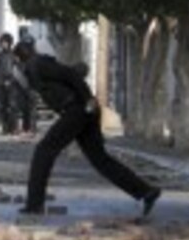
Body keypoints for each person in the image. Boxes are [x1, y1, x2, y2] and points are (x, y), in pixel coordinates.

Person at [13, 40, 161, 216]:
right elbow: (72, 73)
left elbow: (70, 75)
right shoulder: (38, 66)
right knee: (100, 159)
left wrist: (87, 99)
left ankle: (34, 205)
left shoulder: (37, 64)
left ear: (20, 58)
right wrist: (87, 99)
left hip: (77, 110)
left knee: (44, 151)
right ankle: (146, 192)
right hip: (83, 110)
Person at [0, 33, 18, 134]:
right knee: (2, 106)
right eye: (2, 42)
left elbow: (16, 70)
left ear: (9, 43)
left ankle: (13, 127)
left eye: (6, 42)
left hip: (11, 83)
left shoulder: (13, 55)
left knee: (12, 106)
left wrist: (11, 80)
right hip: (0, 83)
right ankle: (5, 127)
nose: (4, 44)